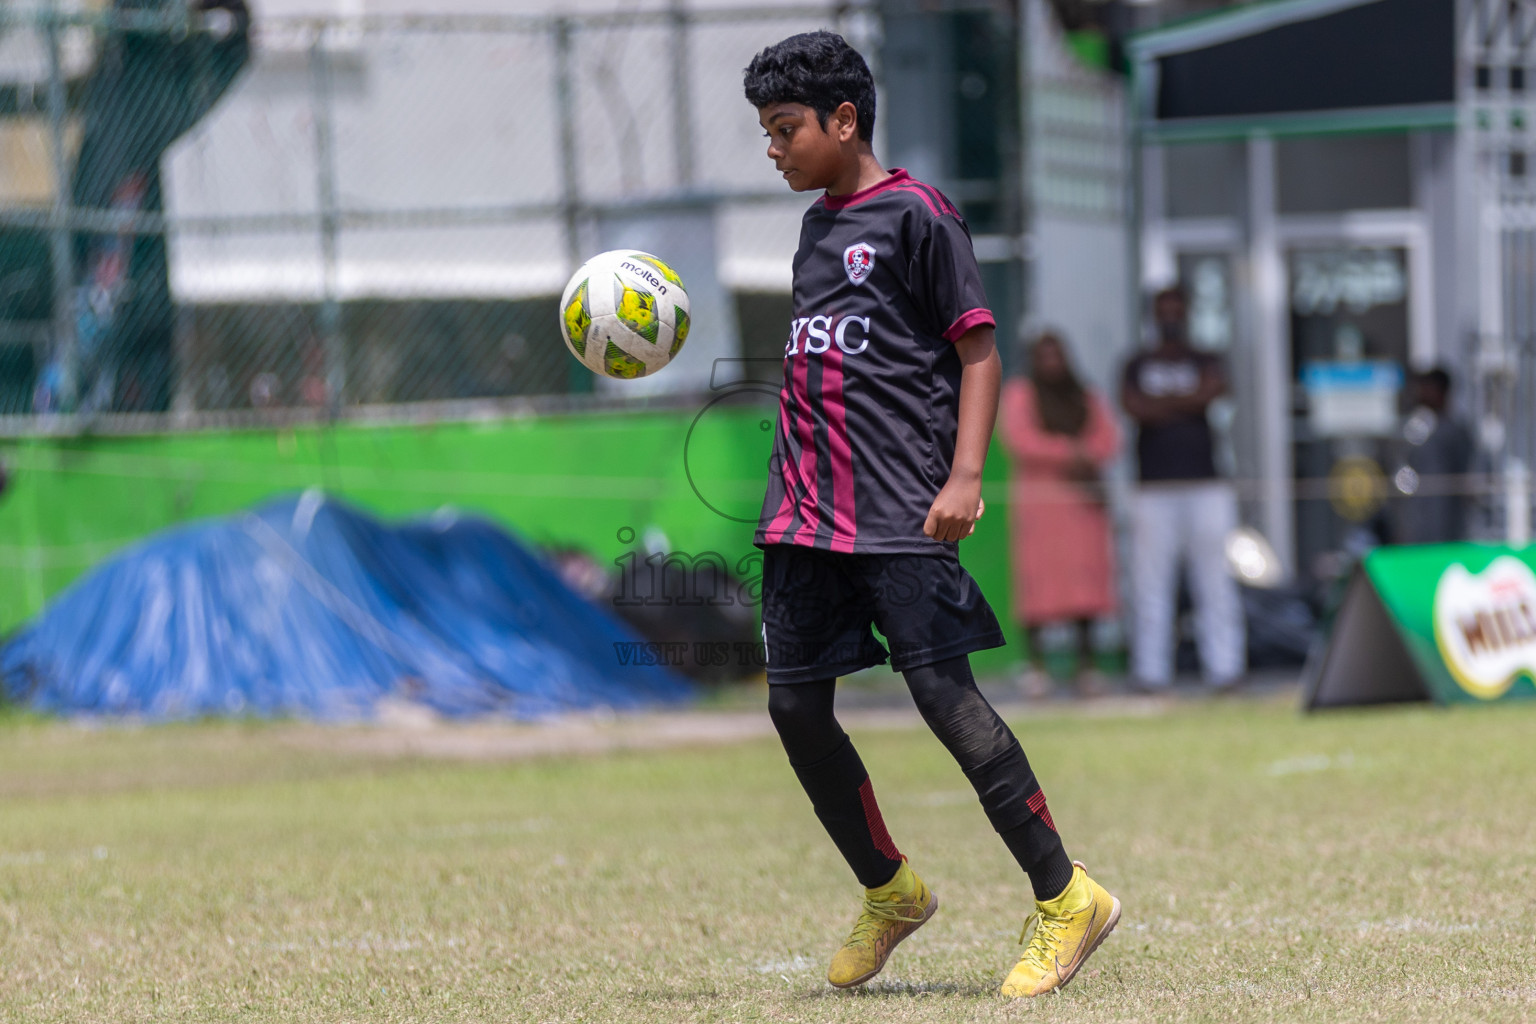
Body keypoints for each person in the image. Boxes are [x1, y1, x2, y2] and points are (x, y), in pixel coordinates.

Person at [741, 32, 1119, 999]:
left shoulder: (920, 216)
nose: (773, 148)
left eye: (785, 130)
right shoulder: (813, 229)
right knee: (793, 705)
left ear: (845, 121)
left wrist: (964, 476)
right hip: (804, 513)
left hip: (900, 506)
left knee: (945, 696)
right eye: (766, 132)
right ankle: (890, 890)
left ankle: (1065, 894)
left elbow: (978, 353)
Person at [10, 0, 251, 414]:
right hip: (87, 277)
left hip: (112, 290)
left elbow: (235, 42)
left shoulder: (144, 90)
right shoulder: (127, 84)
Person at [1120, 285, 1245, 692]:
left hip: (1207, 485)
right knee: (1150, 584)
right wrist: (1185, 402)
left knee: (1215, 581)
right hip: (1152, 488)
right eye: (1163, 311)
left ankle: (1225, 669)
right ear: (1154, 316)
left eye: (1177, 309)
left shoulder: (1207, 357)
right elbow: (1134, 407)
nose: (1170, 318)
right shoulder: (1136, 362)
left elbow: (1213, 392)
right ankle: (1151, 672)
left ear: (1187, 313)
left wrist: (1163, 405)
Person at [1001, 332, 1121, 698]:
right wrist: (1072, 452)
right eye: (1044, 356)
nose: (1052, 363)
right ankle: (1037, 667)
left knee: (1085, 584)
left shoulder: (1084, 394)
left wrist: (1088, 454)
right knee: (1039, 585)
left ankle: (1086, 666)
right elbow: (1019, 439)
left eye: (1058, 355)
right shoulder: (1021, 394)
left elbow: (1109, 438)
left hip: (1083, 503)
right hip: (1041, 506)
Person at [1393, 367, 1475, 545]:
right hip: (1418, 528)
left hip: (1446, 532)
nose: (1420, 393)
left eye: (1427, 387)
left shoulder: (1453, 433)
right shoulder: (1416, 431)